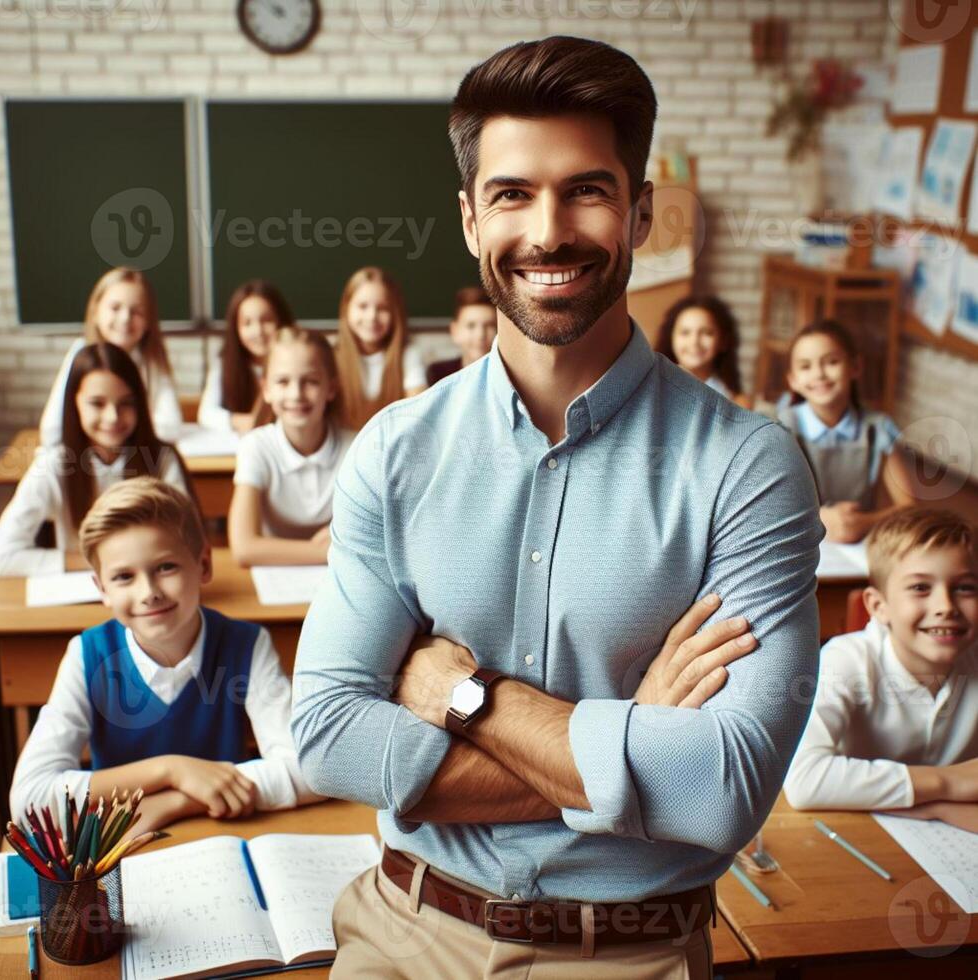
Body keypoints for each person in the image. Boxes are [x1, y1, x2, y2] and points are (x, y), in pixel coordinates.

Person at [292, 36, 822, 979]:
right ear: (468, 220)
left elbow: (727, 787)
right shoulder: (394, 453)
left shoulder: (750, 467)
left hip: (631, 952)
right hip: (401, 930)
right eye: (512, 194)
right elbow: (329, 737)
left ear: (640, 212)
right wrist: (630, 738)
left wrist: (466, 697)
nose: (548, 231)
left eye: (586, 189)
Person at [9, 477, 319, 829]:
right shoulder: (87, 654)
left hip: (223, 835)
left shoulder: (246, 645)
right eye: (124, 577)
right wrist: (171, 771)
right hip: (122, 848)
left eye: (166, 567)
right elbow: (29, 798)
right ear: (102, 589)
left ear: (203, 565)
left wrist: (176, 802)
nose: (149, 592)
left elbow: (310, 769)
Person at [784, 508, 978, 833]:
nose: (945, 606)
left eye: (965, 588)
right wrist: (948, 784)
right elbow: (805, 780)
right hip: (851, 835)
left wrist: (933, 806)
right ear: (878, 606)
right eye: (920, 588)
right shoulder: (846, 661)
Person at [0, 344, 192, 577]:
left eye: (126, 403)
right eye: (97, 404)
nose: (112, 416)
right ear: (74, 404)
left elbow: (188, 541)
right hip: (82, 593)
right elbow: (3, 555)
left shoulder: (161, 459)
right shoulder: (53, 465)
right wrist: (100, 563)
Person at [779, 319, 915, 542]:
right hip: (798, 546)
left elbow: (910, 508)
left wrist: (865, 522)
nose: (819, 374)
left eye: (831, 362)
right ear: (792, 380)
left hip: (858, 550)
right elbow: (762, 508)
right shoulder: (779, 430)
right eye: (805, 366)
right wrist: (818, 518)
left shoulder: (878, 428)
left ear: (855, 367)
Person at [229, 326, 354, 567]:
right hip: (275, 584)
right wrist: (328, 550)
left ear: (331, 389)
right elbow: (244, 548)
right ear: (266, 389)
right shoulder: (255, 446)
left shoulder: (356, 448)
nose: (296, 394)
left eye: (311, 382)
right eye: (283, 381)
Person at [39, 267, 182, 445]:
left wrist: (111, 434)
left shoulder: (151, 359)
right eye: (115, 308)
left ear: (149, 321)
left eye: (137, 311)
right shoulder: (80, 354)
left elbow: (171, 427)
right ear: (95, 312)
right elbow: (52, 431)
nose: (125, 318)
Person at [333, 266, 426, 429]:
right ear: (346, 309)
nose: (372, 316)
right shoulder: (331, 356)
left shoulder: (408, 355)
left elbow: (418, 415)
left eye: (382, 308)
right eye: (362, 306)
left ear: (395, 313)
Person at [198, 280, 292, 434]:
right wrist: (247, 421)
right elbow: (206, 414)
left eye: (267, 320)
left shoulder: (296, 362)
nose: (258, 331)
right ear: (236, 329)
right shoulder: (225, 363)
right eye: (247, 323)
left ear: (281, 321)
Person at [655, 295, 749, 408]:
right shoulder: (654, 389)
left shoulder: (737, 402)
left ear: (723, 341)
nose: (694, 342)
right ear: (670, 338)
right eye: (685, 332)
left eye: (706, 333)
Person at [427, 286, 498, 385]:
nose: (480, 335)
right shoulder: (438, 374)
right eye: (471, 326)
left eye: (490, 325)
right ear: (454, 331)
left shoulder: (510, 376)